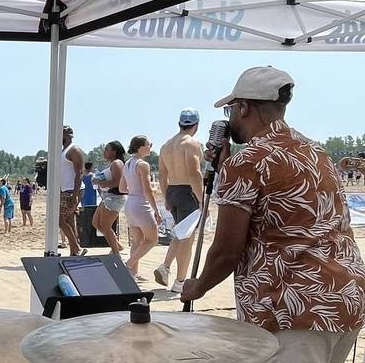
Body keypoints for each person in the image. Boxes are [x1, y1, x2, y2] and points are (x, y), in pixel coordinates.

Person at [182, 67, 365, 363]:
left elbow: (227, 252)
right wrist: (228, 167)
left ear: (243, 108)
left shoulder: (247, 161)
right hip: (343, 297)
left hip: (293, 308)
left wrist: (198, 286)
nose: (230, 117)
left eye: (231, 109)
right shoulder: (315, 152)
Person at [153, 108, 204, 293]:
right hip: (187, 191)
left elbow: (162, 175)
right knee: (187, 239)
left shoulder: (166, 145)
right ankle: (180, 281)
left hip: (173, 190)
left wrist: (166, 196)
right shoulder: (191, 143)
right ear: (196, 126)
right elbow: (194, 173)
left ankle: (165, 266)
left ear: (180, 124)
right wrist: (202, 199)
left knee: (180, 232)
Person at [120, 135, 162, 279]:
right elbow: (147, 191)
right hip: (140, 204)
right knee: (152, 240)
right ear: (141, 147)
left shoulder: (127, 163)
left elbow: (122, 188)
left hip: (130, 203)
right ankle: (128, 265)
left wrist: (134, 189)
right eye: (149, 144)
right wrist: (156, 210)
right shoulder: (143, 165)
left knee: (137, 241)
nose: (151, 147)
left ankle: (133, 272)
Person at [92, 141, 127, 255]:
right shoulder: (113, 164)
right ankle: (117, 245)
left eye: (107, 149)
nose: (104, 152)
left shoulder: (117, 163)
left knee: (106, 226)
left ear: (114, 151)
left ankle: (115, 253)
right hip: (108, 197)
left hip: (115, 198)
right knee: (96, 223)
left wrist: (101, 183)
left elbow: (118, 182)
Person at [59, 125, 86, 256]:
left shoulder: (73, 150)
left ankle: (76, 247)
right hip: (65, 190)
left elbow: (79, 173)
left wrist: (75, 195)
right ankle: (73, 252)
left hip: (72, 190)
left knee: (58, 219)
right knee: (69, 221)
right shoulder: (62, 151)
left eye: (62, 133)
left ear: (69, 134)